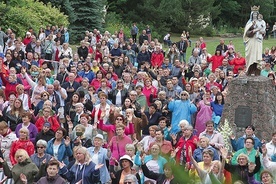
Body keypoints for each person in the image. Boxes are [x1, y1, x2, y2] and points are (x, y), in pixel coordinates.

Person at [243, 6, 266, 74]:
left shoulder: (261, 22)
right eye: (254, 14)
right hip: (251, 41)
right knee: (250, 55)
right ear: (252, 15)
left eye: (256, 14)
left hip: (258, 41)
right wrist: (254, 31)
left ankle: (257, 70)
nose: (255, 16)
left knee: (257, 55)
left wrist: (263, 32)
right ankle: (249, 70)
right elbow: (247, 33)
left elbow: (263, 31)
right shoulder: (249, 23)